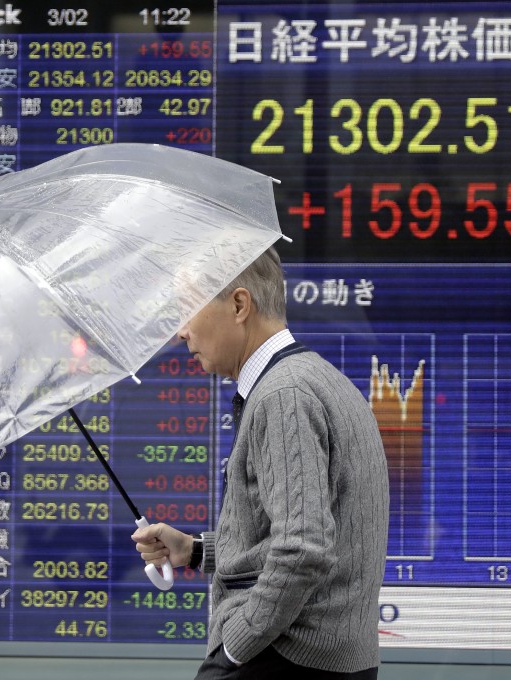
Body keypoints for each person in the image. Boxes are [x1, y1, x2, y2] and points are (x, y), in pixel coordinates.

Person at [132, 247, 389, 679]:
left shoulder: (282, 396)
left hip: (282, 657)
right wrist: (194, 550)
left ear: (238, 304)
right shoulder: (319, 379)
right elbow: (312, 532)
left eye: (187, 309)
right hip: (331, 661)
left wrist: (235, 647)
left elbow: (303, 548)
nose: (180, 332)